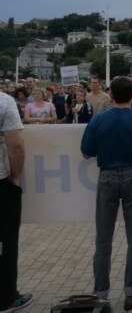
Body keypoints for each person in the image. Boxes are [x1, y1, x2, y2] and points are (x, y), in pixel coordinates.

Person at [80, 77, 132, 311]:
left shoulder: (98, 120)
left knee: (103, 239)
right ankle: (131, 292)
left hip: (106, 176)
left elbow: (86, 152)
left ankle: (101, 293)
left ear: (112, 95)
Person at [0, 92, 33, 311]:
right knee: (6, 239)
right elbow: (15, 145)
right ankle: (6, 297)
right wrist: (16, 177)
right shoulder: (4, 101)